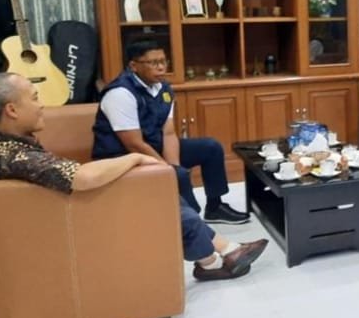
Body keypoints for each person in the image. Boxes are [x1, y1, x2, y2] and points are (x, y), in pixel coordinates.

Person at [0, 73, 268, 281]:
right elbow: (81, 178)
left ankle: (213, 257)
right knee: (157, 195)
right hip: (68, 222)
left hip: (55, 210)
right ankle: (220, 255)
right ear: (11, 110)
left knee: (163, 193)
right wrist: (135, 158)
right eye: (34, 98)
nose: (41, 104)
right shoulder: (15, 156)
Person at [91, 39, 248, 224]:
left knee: (210, 148)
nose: (161, 68)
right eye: (153, 63)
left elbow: (168, 133)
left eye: (163, 61)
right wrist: (168, 170)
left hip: (153, 146)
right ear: (133, 66)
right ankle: (190, 224)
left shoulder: (163, 88)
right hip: (123, 157)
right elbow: (134, 143)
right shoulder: (120, 93)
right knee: (177, 174)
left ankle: (215, 207)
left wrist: (174, 166)